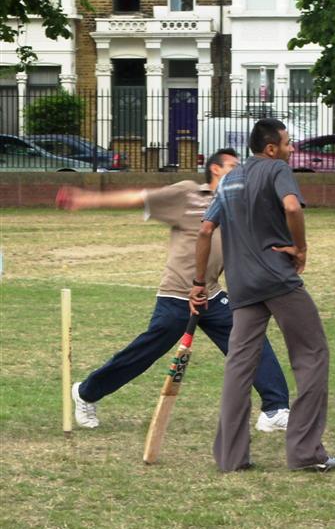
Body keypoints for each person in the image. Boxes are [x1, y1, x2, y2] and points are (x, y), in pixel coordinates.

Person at [56, 149, 290, 431]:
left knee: (250, 340)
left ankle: (275, 409)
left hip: (212, 295)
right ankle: (86, 393)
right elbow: (139, 198)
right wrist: (88, 199)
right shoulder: (189, 194)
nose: (239, 171)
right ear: (215, 169)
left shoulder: (238, 206)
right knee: (143, 353)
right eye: (233, 166)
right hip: (176, 296)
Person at [190, 118, 335, 473]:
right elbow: (292, 207)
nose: (291, 149)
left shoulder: (228, 180)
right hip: (277, 278)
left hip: (242, 286)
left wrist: (199, 283)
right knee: (312, 354)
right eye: (287, 143)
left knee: (239, 366)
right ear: (272, 148)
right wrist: (300, 249)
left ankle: (230, 457)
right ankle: (305, 453)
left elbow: (205, 230)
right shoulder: (277, 169)